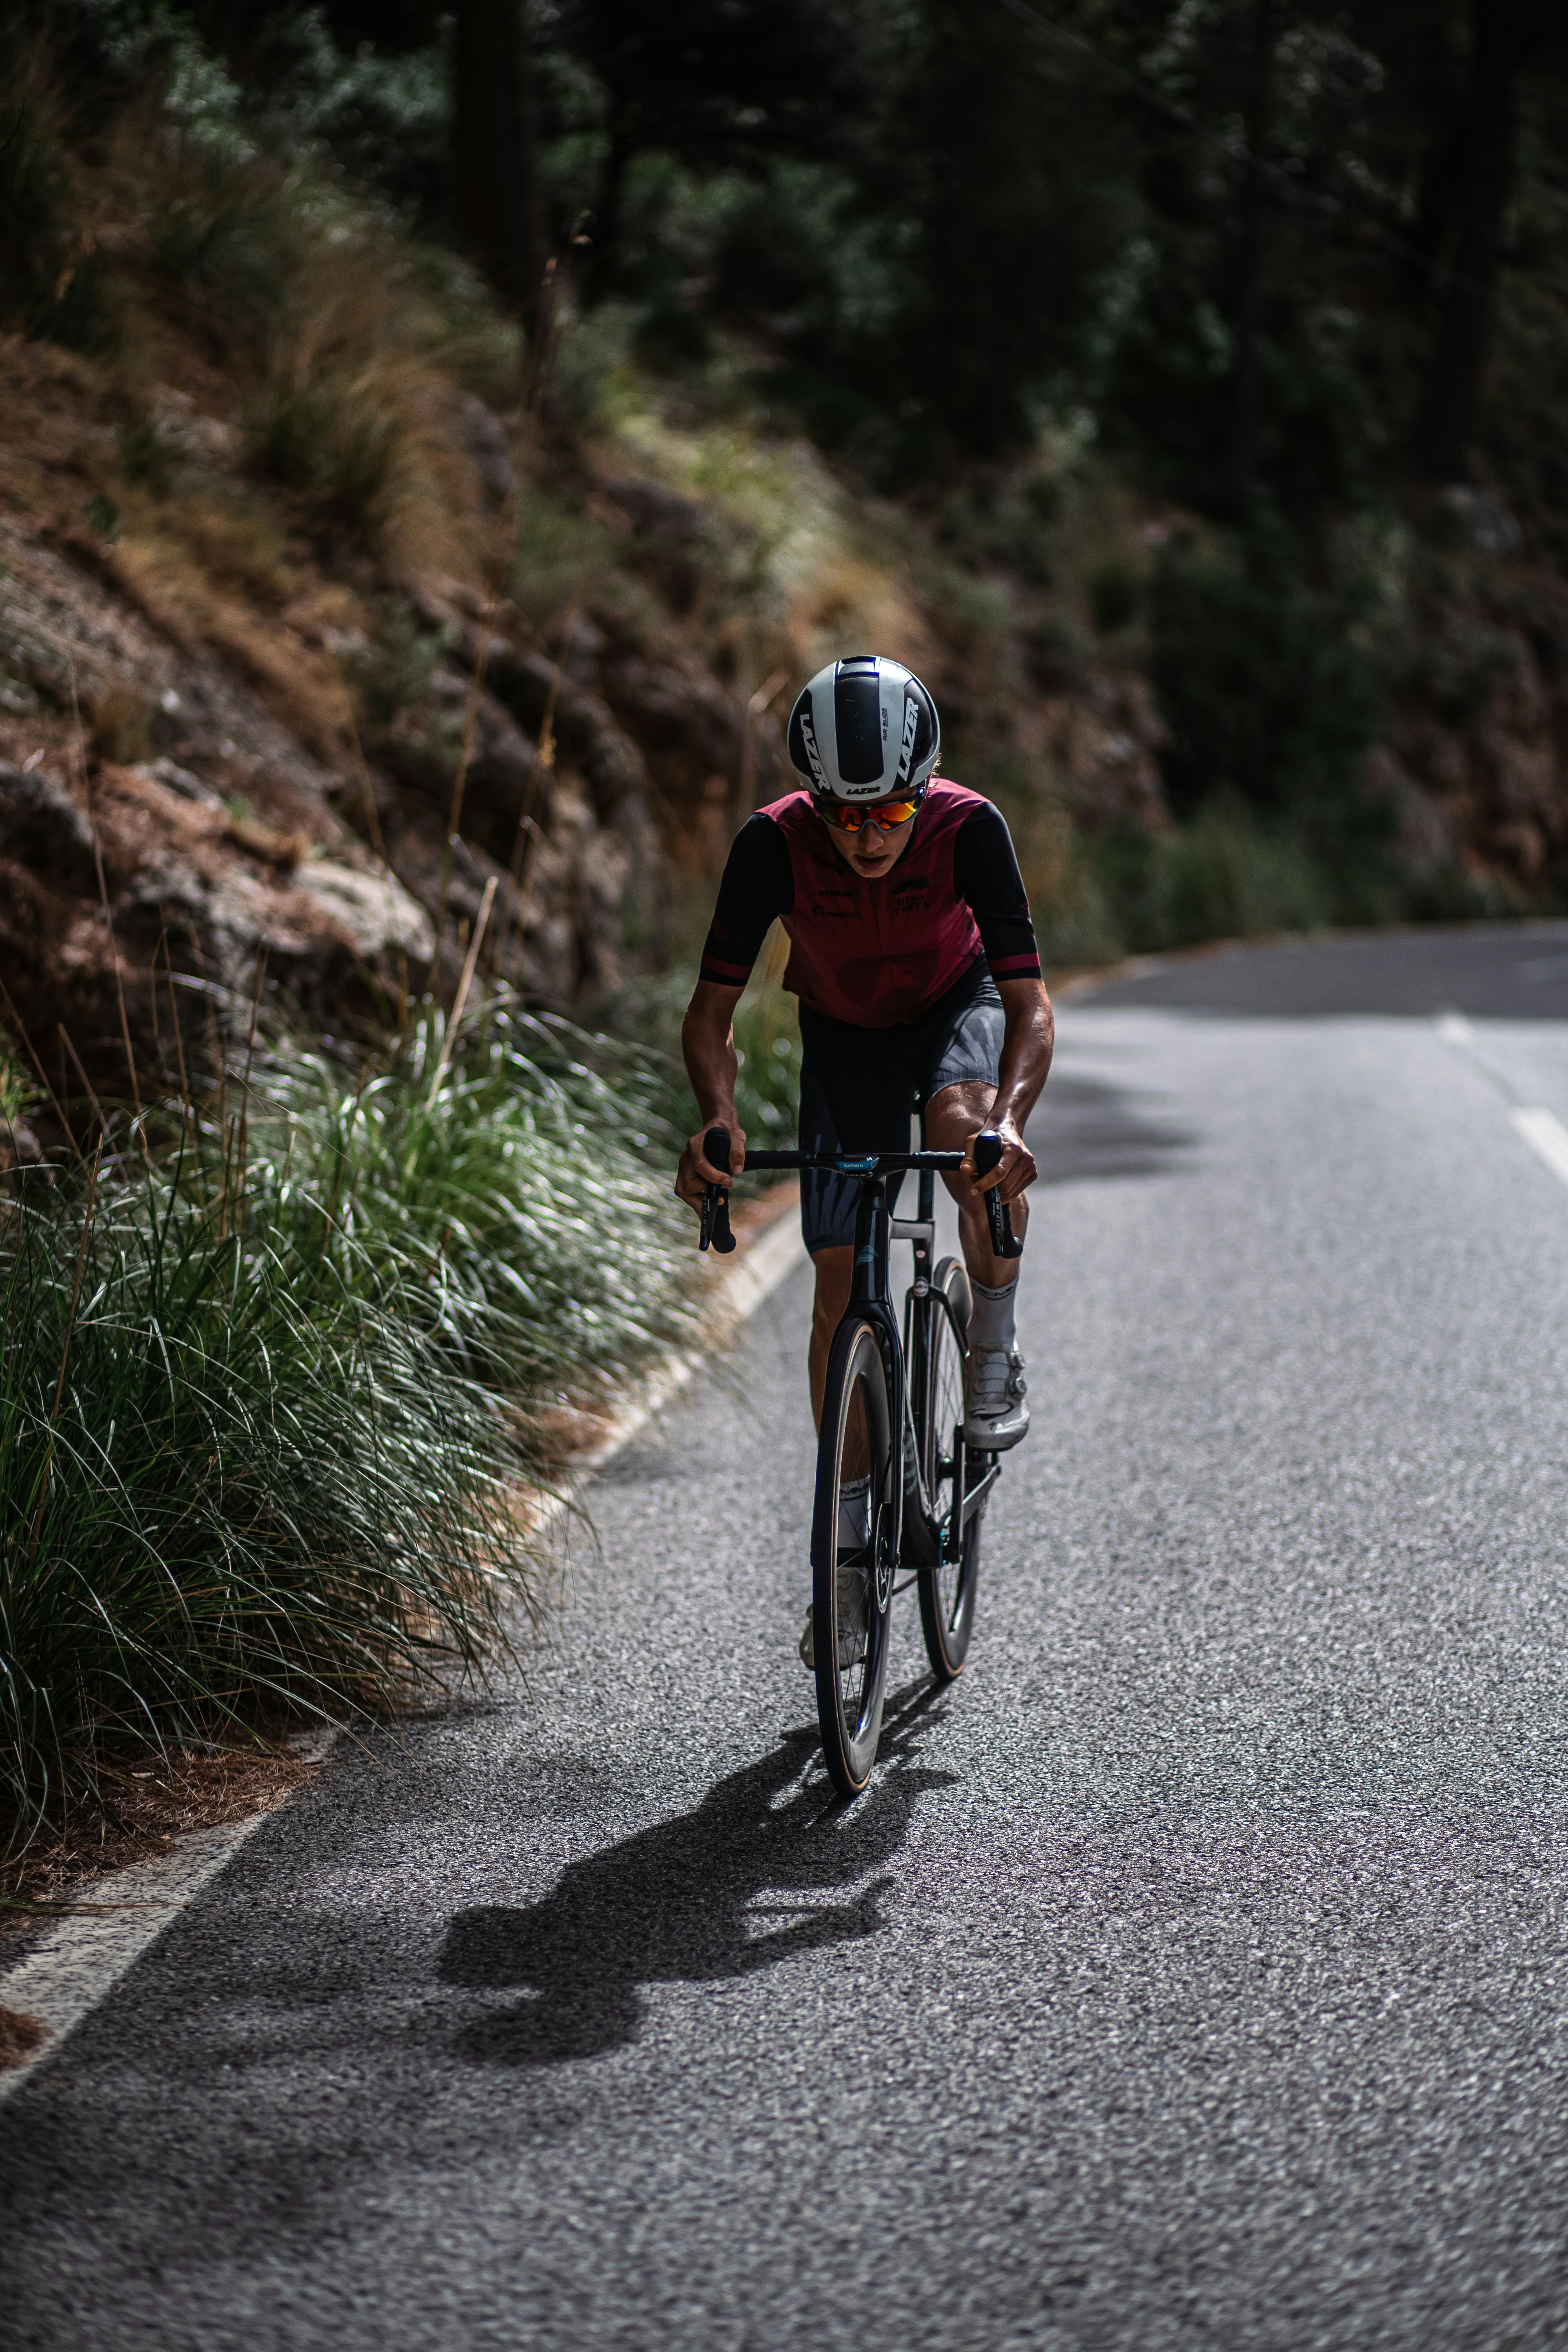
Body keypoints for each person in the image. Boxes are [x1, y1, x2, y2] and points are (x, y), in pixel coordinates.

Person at [674, 653, 1053, 1657]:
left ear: (919, 791)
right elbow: (710, 1012)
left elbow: (1027, 1004)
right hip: (841, 1036)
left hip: (952, 1008)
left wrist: (1009, 1123)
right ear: (813, 797)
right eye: (843, 816)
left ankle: (989, 1350)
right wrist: (715, 1112)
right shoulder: (771, 843)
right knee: (836, 1291)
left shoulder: (969, 828)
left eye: (887, 814)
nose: (866, 836)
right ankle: (843, 1571)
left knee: (961, 1132)